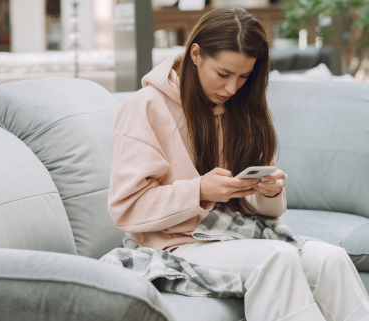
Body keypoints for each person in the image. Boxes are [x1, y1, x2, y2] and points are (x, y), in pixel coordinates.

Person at [108, 7, 369, 321]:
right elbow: (126, 208)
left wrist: (268, 192)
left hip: (232, 233)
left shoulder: (240, 108)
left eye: (244, 76)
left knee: (332, 259)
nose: (232, 88)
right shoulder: (146, 107)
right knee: (276, 259)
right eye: (223, 74)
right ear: (195, 54)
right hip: (175, 244)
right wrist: (200, 190)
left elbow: (265, 211)